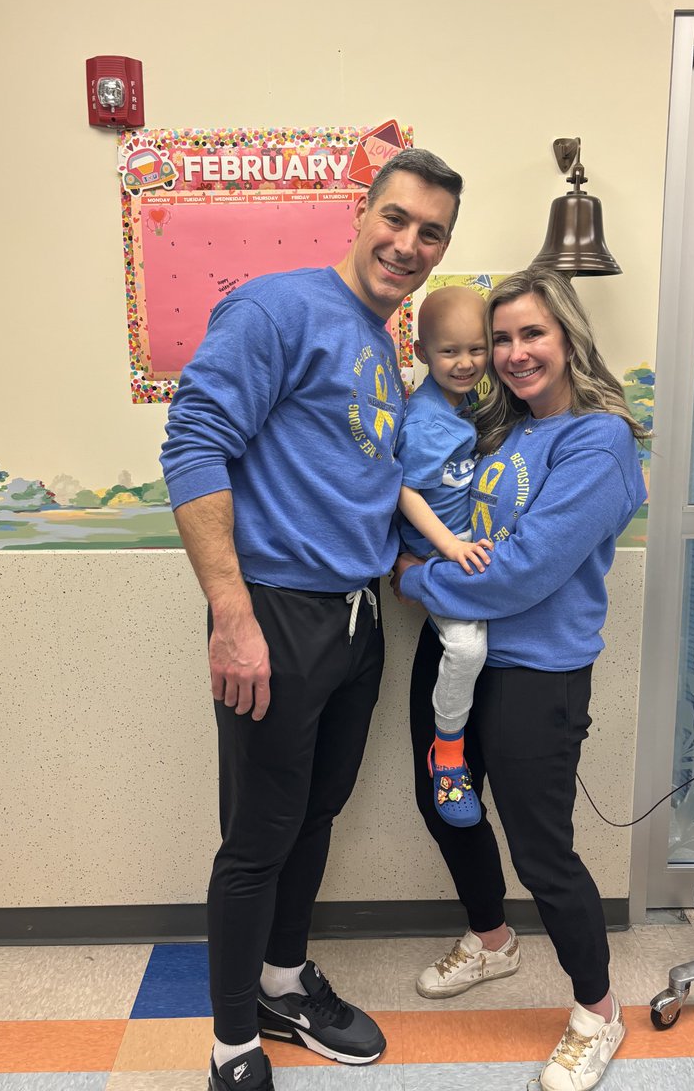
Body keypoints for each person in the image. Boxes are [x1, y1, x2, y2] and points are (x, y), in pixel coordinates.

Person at [160, 148, 463, 1091]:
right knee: (257, 837)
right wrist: (232, 617)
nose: (409, 245)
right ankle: (232, 1044)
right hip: (277, 619)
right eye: (397, 219)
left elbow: (353, 476)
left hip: (354, 620)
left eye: (432, 234)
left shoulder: (378, 341)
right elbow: (194, 443)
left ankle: (284, 982)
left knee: (316, 814)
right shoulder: (278, 309)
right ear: (361, 213)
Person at [393, 267, 648, 1091]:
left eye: (530, 334)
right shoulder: (499, 429)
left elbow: (521, 573)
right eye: (500, 339)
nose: (512, 353)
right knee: (445, 803)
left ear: (568, 335)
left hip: (537, 671)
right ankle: (493, 942)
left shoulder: (597, 441)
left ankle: (598, 1013)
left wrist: (410, 578)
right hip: (458, 653)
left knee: (543, 852)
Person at [396, 284, 492, 828]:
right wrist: (448, 546)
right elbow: (405, 490)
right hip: (435, 556)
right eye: (449, 351)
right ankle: (449, 752)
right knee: (466, 646)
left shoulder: (463, 402)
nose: (465, 362)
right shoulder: (428, 421)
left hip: (458, 549)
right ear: (421, 353)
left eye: (476, 349)